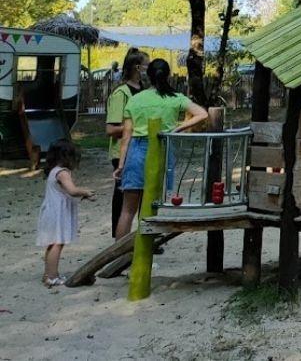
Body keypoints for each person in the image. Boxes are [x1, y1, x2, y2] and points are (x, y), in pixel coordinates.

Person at [114, 59, 208, 239]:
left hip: (136, 151)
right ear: (168, 76)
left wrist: (121, 164)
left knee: (127, 211)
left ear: (148, 76)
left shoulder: (135, 100)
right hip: (162, 149)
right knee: (152, 205)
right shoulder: (176, 98)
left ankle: (120, 252)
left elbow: (126, 136)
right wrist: (177, 128)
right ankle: (148, 248)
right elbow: (202, 114)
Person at [37, 138, 95, 287]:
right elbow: (72, 190)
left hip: (52, 212)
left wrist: (81, 196)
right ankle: (52, 277)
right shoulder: (62, 173)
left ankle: (48, 274)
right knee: (57, 243)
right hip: (58, 214)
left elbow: (63, 193)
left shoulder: (54, 171)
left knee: (53, 243)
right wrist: (86, 192)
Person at [105, 48, 148, 236]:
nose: (149, 69)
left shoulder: (145, 91)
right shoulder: (121, 93)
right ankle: (120, 240)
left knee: (144, 197)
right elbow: (111, 129)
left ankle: (142, 238)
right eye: (146, 65)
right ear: (137, 67)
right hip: (123, 153)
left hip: (141, 150)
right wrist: (136, 127)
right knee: (123, 199)